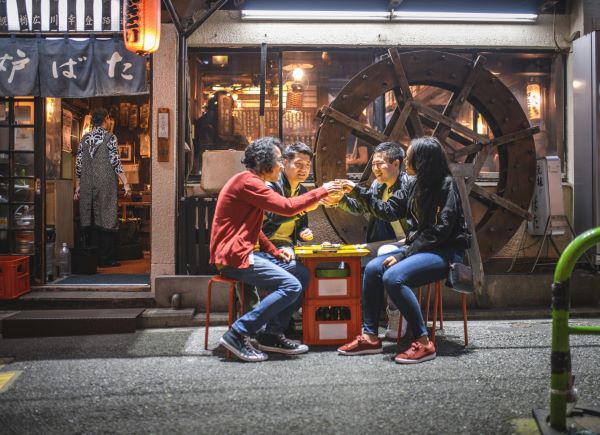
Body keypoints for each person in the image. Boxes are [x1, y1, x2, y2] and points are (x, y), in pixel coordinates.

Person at [336, 136, 471, 364]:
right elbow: (387, 210)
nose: (405, 160)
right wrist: (358, 191)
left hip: (444, 253)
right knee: (372, 269)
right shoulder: (414, 184)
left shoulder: (446, 186)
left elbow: (440, 232)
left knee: (393, 277)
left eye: (409, 157)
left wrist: (402, 254)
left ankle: (424, 343)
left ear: (423, 160)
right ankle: (370, 336)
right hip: (419, 249)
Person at [211, 136, 342, 362]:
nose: (281, 165)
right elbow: (287, 208)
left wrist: (273, 250)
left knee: (300, 273)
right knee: (291, 285)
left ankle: (271, 334)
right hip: (233, 257)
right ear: (265, 160)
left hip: (245, 253)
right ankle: (237, 332)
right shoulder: (248, 182)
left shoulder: (252, 183)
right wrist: (323, 190)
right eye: (280, 160)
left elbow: (254, 229)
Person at [325, 141, 410, 340]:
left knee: (385, 253)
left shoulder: (408, 185)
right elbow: (361, 208)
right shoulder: (377, 185)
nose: (375, 168)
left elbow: (387, 210)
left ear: (396, 164)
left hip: (410, 241)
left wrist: (356, 190)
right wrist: (341, 200)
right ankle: (350, 315)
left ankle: (397, 316)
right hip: (388, 241)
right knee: (350, 255)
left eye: (380, 163)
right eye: (373, 164)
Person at [74, 108, 131, 268]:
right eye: (108, 119)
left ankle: (92, 258)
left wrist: (78, 187)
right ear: (105, 119)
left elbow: (78, 165)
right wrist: (125, 182)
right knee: (107, 216)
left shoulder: (84, 138)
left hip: (87, 182)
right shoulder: (110, 137)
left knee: (90, 216)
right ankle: (106, 259)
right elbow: (115, 161)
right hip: (105, 182)